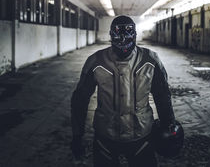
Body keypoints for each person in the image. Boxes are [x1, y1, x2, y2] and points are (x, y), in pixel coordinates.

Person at [70, 15, 176, 167]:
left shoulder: (150, 60)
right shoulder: (95, 61)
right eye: (118, 32)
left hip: (142, 136)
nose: (123, 37)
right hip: (105, 137)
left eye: (127, 32)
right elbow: (80, 100)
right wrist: (77, 135)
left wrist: (169, 125)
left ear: (135, 34)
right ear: (111, 35)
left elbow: (162, 96)